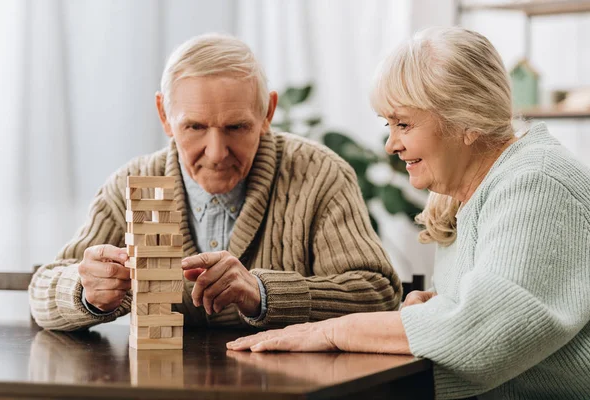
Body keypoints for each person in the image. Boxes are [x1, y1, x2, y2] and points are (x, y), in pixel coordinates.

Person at [227, 27, 590, 400]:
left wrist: (332, 330)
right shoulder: (479, 189)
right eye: (389, 124)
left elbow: (483, 332)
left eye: (404, 124)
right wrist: (438, 308)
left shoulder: (537, 183)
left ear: (466, 120)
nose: (391, 144)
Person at [29, 34, 402, 331]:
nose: (216, 152)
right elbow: (42, 290)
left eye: (236, 127)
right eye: (194, 127)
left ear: (267, 112)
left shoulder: (320, 175)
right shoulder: (130, 184)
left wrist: (262, 293)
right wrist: (86, 293)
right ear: (164, 114)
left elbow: (379, 293)